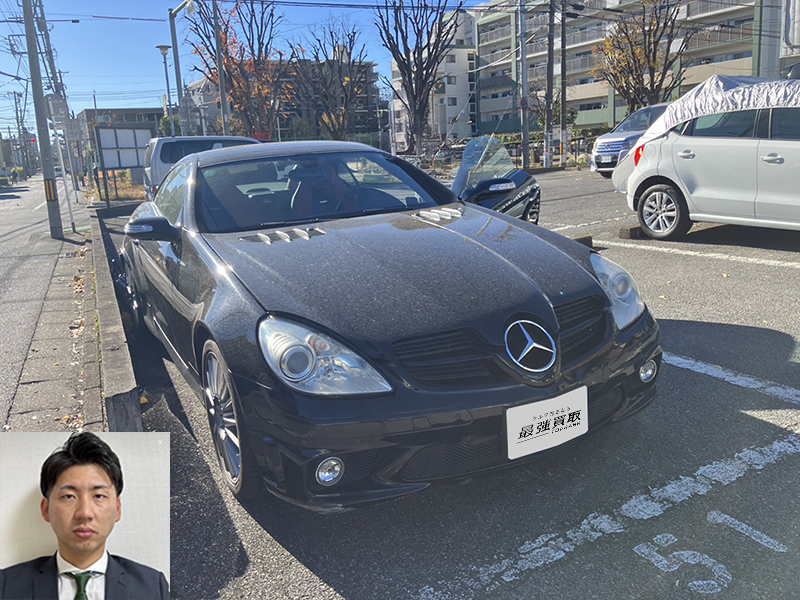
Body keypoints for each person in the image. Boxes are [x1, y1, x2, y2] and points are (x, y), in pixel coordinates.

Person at [0, 432, 169, 600]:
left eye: (99, 496)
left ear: (118, 508)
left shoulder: (153, 587)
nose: (85, 513)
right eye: (69, 496)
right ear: (46, 509)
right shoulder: (6, 586)